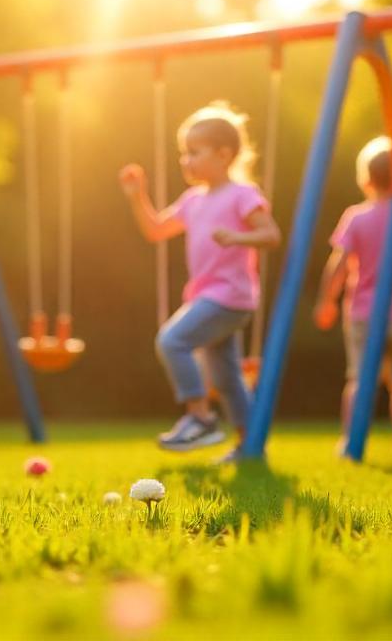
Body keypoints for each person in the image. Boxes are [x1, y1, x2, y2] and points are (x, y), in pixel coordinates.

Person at [118, 101, 280, 457]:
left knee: (172, 340)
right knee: (226, 378)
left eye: (193, 153)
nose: (185, 160)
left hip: (230, 297)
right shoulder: (193, 201)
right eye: (183, 153)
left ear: (223, 155)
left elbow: (271, 235)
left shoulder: (243, 195)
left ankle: (200, 419)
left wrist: (238, 237)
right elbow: (157, 229)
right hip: (207, 296)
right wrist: (137, 198)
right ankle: (250, 447)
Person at [313, 136, 392, 458]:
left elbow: (337, 264)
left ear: (365, 179)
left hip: (364, 310)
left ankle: (351, 442)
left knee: (360, 379)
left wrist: (326, 301)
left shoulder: (357, 216)